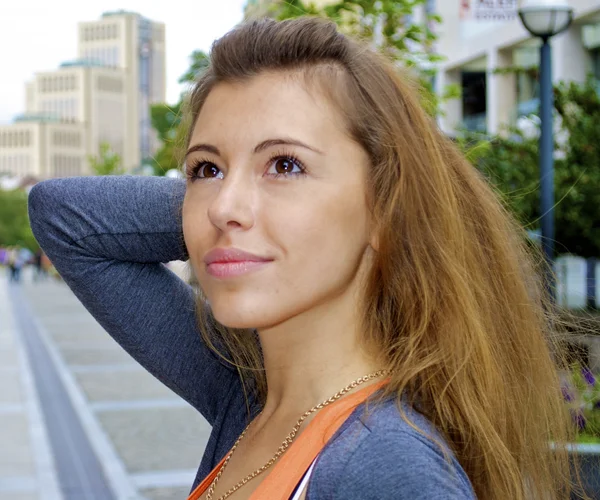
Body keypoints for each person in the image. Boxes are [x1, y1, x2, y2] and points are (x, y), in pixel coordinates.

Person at [28, 17, 580, 500]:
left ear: (385, 209)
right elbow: (63, 215)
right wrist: (235, 216)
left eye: (285, 165)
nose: (225, 206)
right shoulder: (247, 394)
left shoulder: (387, 463)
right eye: (206, 168)